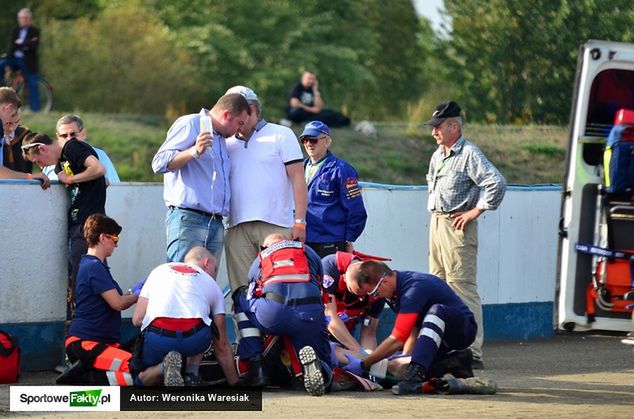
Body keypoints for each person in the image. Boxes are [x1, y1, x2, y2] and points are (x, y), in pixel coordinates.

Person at [424, 101, 507, 369]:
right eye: (434, 127)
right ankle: (448, 345)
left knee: (462, 287)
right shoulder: (438, 154)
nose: (434, 132)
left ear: (454, 126)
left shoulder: (469, 153)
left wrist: (475, 212)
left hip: (457, 225)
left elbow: (496, 182)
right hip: (438, 222)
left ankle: (472, 351)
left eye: (438, 126)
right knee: (438, 285)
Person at [343, 260, 476, 395]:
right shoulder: (396, 291)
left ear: (384, 282)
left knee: (436, 311)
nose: (376, 297)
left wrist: (364, 364)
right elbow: (412, 329)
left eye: (375, 293)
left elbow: (397, 339)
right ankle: (455, 361)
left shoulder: (413, 289)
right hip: (435, 335)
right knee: (401, 368)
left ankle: (413, 378)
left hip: (462, 329)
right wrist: (405, 359)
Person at [224, 85, 308, 293]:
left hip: (276, 225)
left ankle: (275, 326)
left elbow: (298, 178)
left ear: (251, 109)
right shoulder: (226, 142)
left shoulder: (281, 134)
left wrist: (300, 222)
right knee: (241, 291)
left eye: (236, 112)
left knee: (278, 289)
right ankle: (246, 327)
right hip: (237, 227)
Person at [152, 93, 251, 263]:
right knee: (183, 280)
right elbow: (159, 163)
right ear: (226, 114)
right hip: (189, 220)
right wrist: (194, 151)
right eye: (239, 123)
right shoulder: (191, 123)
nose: (240, 129)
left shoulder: (221, 139)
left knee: (205, 285)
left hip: (215, 222)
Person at [232, 234, 333, 396]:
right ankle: (323, 372)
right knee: (320, 354)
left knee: (241, 297)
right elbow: (321, 287)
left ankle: (256, 365)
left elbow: (253, 290)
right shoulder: (308, 251)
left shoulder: (261, 257)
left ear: (265, 246)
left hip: (274, 315)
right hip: (308, 314)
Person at [22, 132, 106, 310]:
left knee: (84, 280)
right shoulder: (61, 162)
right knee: (81, 277)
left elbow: (98, 169)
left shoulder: (72, 147)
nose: (41, 166)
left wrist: (70, 179)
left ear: (43, 148)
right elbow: (103, 181)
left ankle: (86, 321)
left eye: (38, 161)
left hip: (87, 223)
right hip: (79, 223)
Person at [132, 247, 239, 386]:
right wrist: (235, 384)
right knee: (206, 322)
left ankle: (162, 367)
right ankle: (191, 374)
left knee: (141, 375)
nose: (215, 274)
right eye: (215, 268)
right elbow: (221, 343)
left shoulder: (158, 271)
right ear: (206, 263)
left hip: (157, 340)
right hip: (194, 340)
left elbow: (137, 319)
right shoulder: (212, 284)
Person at [63, 214, 140, 385]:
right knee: (136, 369)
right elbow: (118, 303)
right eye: (115, 239)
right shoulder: (94, 267)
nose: (116, 244)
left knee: (142, 356)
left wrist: (134, 291)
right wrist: (141, 296)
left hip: (102, 344)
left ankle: (90, 372)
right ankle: (85, 378)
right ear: (103, 238)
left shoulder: (97, 265)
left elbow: (117, 298)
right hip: (87, 344)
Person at [301, 121, 367, 258]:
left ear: (326, 142)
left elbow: (356, 209)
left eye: (313, 140)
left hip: (330, 242)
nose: (308, 144)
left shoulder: (342, 170)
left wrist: (349, 239)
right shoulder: (299, 168)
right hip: (303, 240)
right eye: (305, 140)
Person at [321, 251, 388, 352]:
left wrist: (369, 357)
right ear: (345, 279)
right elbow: (329, 316)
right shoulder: (330, 268)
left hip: (347, 328)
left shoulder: (378, 289)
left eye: (367, 293)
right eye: (355, 293)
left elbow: (369, 333)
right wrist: (357, 349)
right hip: (320, 326)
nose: (361, 299)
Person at [42, 114, 121, 184]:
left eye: (73, 135)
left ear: (83, 134)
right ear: (57, 137)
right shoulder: (52, 159)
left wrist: (70, 179)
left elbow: (113, 187)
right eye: (64, 136)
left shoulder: (99, 155)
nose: (69, 140)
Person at [0, 86, 47, 186]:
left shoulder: (24, 135)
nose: (12, 127)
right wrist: (29, 177)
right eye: (12, 115)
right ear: (7, 108)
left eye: (16, 121)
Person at [0, 8, 40, 112]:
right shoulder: (15, 30)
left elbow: (34, 45)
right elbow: (11, 46)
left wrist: (21, 42)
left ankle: (35, 110)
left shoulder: (35, 31)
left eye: (26, 18)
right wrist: (27, 43)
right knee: (1, 64)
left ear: (30, 19)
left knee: (32, 82)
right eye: (22, 18)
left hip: (27, 61)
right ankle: (3, 91)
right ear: (19, 19)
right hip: (13, 59)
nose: (24, 20)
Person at [286, 71, 350, 127]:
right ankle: (308, 122)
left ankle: (343, 121)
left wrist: (315, 90)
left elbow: (319, 107)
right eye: (309, 78)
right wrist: (310, 109)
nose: (311, 81)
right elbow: (294, 103)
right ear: (303, 78)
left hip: (310, 114)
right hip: (299, 112)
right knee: (295, 112)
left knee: (329, 113)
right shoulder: (297, 87)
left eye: (313, 79)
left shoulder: (313, 89)